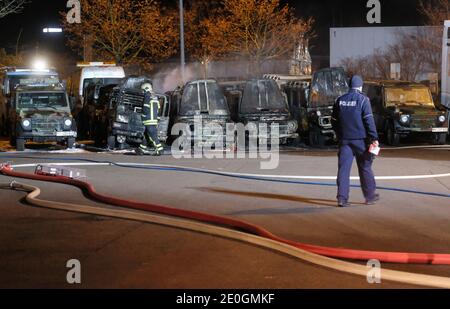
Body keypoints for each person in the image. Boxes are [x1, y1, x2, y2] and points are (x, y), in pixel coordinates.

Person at [331, 75, 380, 207]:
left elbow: (334, 121)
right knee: (365, 167)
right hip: (361, 141)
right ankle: (369, 196)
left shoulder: (339, 100)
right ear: (360, 86)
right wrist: (374, 138)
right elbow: (369, 121)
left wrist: (340, 134)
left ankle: (342, 198)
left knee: (343, 170)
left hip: (344, 141)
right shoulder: (363, 100)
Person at [136, 83, 164, 156]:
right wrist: (157, 119)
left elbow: (145, 108)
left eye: (143, 90)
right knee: (147, 135)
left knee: (153, 136)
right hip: (153, 120)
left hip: (148, 120)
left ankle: (159, 149)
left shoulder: (147, 96)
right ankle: (142, 149)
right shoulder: (155, 97)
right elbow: (158, 110)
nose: (142, 92)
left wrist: (143, 115)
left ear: (146, 89)